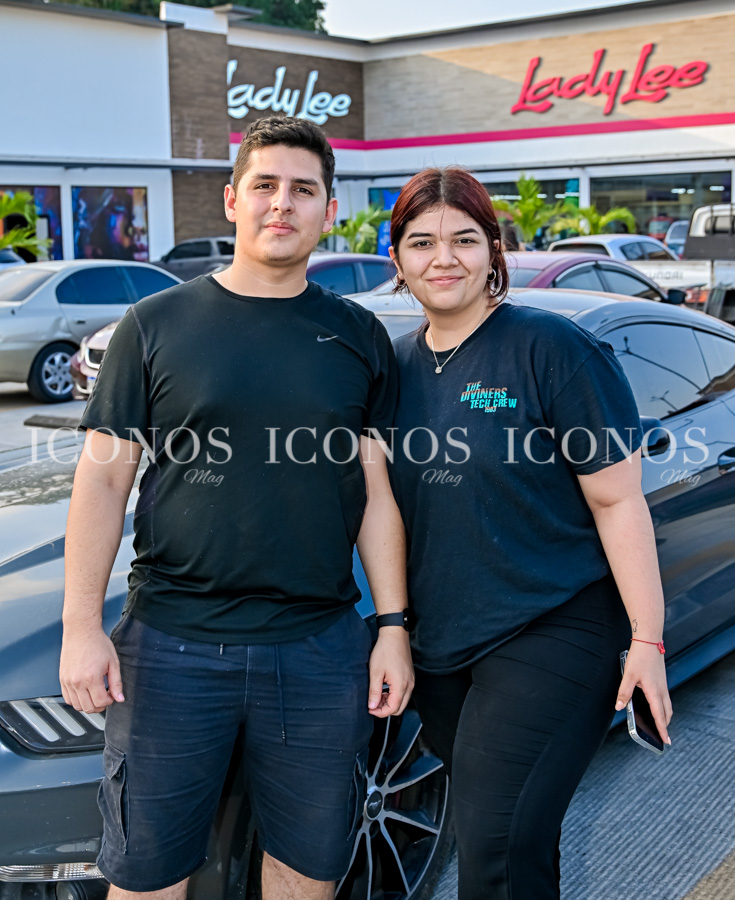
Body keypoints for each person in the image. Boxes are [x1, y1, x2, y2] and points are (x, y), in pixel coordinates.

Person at [59, 116, 414, 900]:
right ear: (230, 200)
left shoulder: (357, 336)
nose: (280, 204)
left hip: (318, 650)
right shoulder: (155, 325)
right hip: (171, 649)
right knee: (149, 876)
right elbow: (103, 482)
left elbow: (375, 496)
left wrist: (390, 627)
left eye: (302, 190)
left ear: (327, 210)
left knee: (306, 871)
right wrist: (81, 626)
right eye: (264, 185)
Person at [386, 167, 672, 900]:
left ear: (493, 251)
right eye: (420, 242)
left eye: (462, 239)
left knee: (497, 847)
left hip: (554, 622)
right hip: (444, 643)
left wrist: (647, 639)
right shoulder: (391, 369)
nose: (441, 258)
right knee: (501, 839)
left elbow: (617, 502)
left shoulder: (548, 348)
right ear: (397, 260)